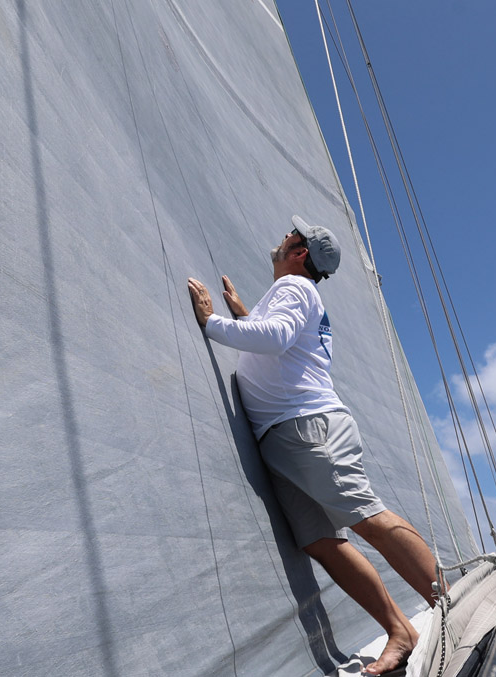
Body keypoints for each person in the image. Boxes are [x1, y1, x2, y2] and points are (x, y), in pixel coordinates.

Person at [187, 216, 441, 676]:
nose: (283, 237)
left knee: (368, 519)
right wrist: (248, 317)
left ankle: (450, 609)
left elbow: (276, 338)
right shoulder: (300, 296)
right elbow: (287, 351)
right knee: (323, 543)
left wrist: (213, 323)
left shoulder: (296, 289)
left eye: (290, 234)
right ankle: (400, 631)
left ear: (300, 251)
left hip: (307, 428)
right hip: (288, 436)